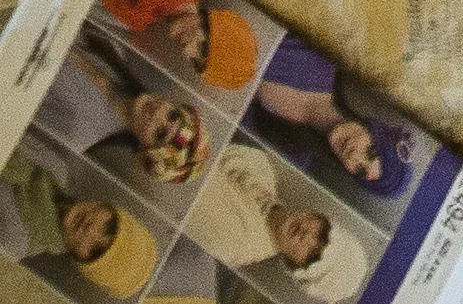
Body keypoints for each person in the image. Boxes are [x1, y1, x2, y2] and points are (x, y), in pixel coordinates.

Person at [183, 142, 365, 302]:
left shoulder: (234, 242)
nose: (308, 236)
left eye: (312, 255)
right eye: (322, 234)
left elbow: (180, 180)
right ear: (319, 217)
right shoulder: (264, 168)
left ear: (297, 268)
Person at [246, 36, 414, 209]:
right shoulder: (321, 58)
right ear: (373, 129)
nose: (353, 155)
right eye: (369, 151)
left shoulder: (292, 155)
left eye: (359, 170)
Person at [35, 35, 207, 188]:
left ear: (144, 150)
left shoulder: (77, 133)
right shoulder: (119, 53)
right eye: (172, 115)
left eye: (159, 133)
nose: (158, 113)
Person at [99, 0, 258, 93]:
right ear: (213, 24)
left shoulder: (135, 23)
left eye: (195, 62)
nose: (187, 51)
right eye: (202, 48)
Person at [0, 148, 156, 300]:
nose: (91, 229)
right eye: (109, 226)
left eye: (95, 250)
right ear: (109, 207)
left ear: (82, 261)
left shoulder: (14, 240)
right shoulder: (57, 168)